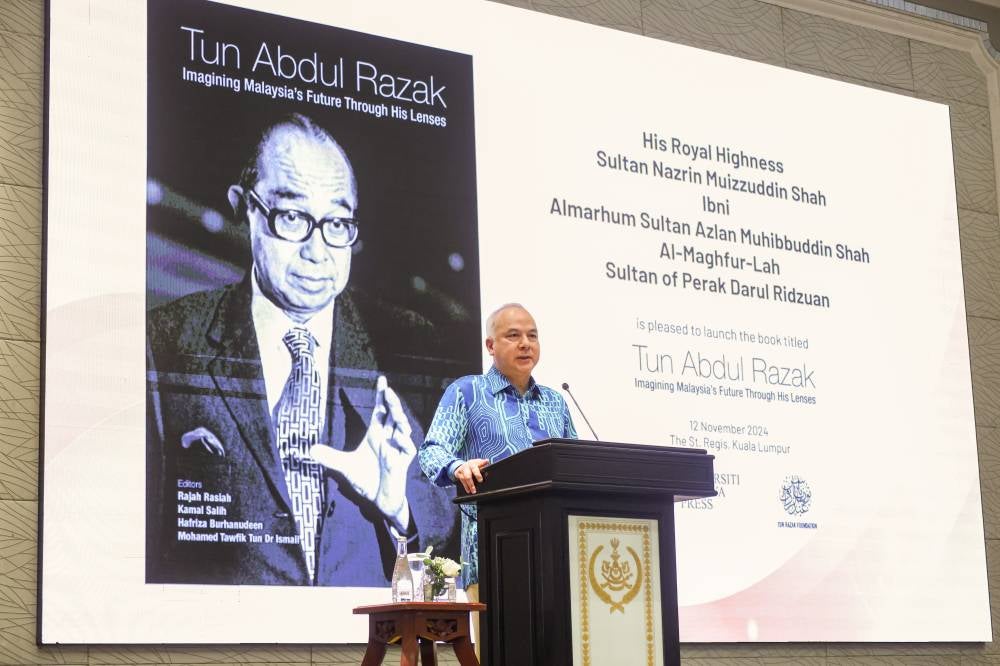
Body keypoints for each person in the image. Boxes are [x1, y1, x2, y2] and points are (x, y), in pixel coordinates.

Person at [146, 113, 452, 586]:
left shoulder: (411, 346)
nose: (317, 250)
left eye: (337, 223)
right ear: (244, 207)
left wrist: (399, 511)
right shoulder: (165, 340)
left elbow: (452, 556)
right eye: (292, 217)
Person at [418, 303, 577, 649]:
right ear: (491, 346)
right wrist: (457, 467)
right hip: (491, 551)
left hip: (558, 554)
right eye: (513, 336)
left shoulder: (556, 402)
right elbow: (431, 452)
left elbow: (574, 464)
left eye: (532, 336)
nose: (525, 344)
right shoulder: (467, 392)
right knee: (502, 649)